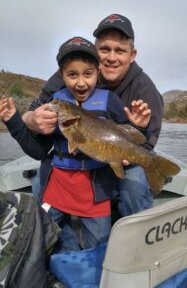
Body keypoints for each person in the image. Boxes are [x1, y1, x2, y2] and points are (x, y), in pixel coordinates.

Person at [0, 36, 151, 251]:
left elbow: (128, 135)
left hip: (96, 193)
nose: (81, 82)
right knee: (44, 240)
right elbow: (37, 151)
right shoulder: (55, 103)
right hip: (58, 189)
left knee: (100, 249)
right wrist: (14, 121)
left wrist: (139, 127)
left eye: (88, 74)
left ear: (98, 72)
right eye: (72, 74)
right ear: (61, 75)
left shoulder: (110, 100)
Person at [22, 13, 164, 216]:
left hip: (119, 155)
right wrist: (31, 120)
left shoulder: (146, 90)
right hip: (78, 159)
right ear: (95, 53)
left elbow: (146, 144)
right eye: (105, 49)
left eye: (120, 51)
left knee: (136, 183)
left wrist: (122, 154)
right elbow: (32, 111)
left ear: (132, 55)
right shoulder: (70, 74)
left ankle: (135, 235)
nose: (111, 58)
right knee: (39, 181)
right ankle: (52, 235)